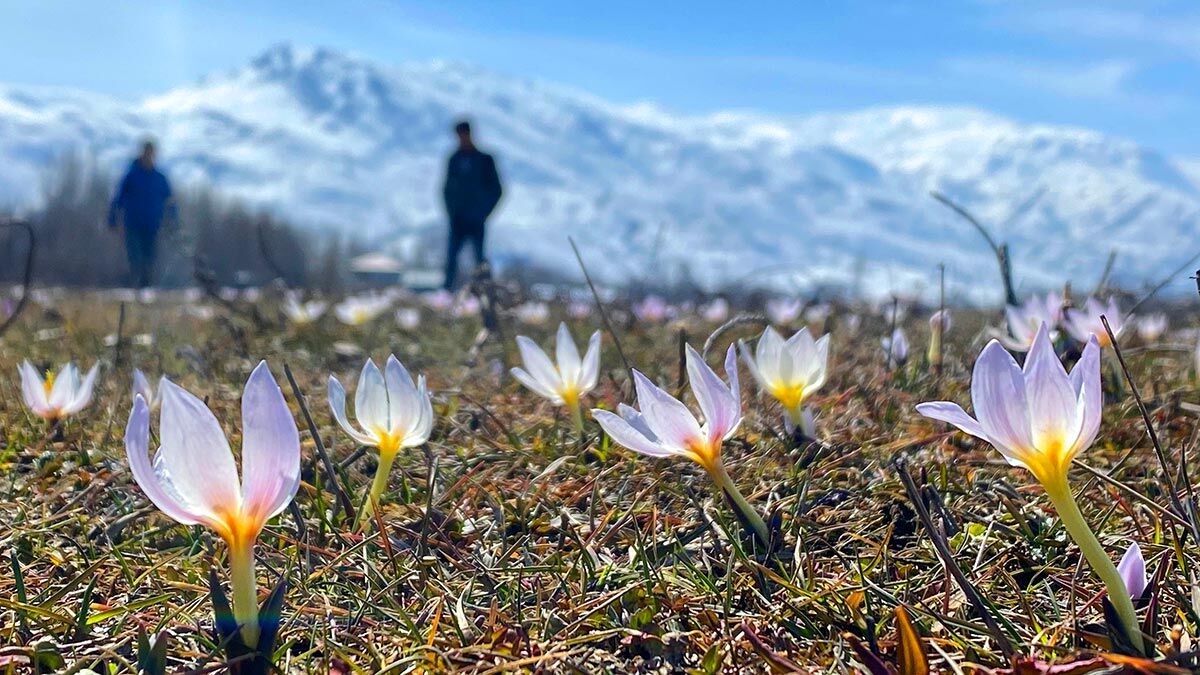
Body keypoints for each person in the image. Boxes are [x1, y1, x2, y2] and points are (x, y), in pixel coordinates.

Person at [441, 119, 502, 290]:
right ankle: (446, 293)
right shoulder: (454, 159)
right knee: (451, 259)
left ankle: (485, 294)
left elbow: (497, 189)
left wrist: (483, 212)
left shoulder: (484, 160)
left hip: (476, 219)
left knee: (479, 259)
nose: (461, 139)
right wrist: (451, 211)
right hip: (457, 218)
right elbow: (446, 188)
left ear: (469, 134)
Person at [107, 140, 176, 288]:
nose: (149, 156)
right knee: (135, 256)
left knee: (150, 257)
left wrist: (173, 220)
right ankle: (135, 284)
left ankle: (146, 287)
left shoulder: (159, 178)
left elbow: (170, 201)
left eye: (151, 153)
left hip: (153, 224)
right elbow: (118, 197)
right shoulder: (132, 176)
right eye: (147, 152)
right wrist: (112, 217)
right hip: (133, 223)